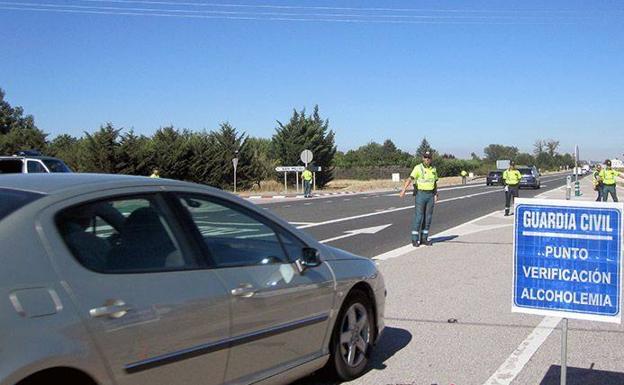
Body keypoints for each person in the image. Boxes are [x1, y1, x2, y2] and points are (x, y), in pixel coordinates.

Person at [400, 151, 439, 247]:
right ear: (422, 158)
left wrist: (436, 193)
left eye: (429, 158)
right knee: (419, 217)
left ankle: (424, 238)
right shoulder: (418, 168)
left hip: (430, 195)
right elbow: (410, 179)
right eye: (425, 157)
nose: (427, 159)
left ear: (431, 159)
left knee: (428, 217)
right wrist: (403, 190)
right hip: (421, 194)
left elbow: (434, 182)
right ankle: (414, 239)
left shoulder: (433, 169)